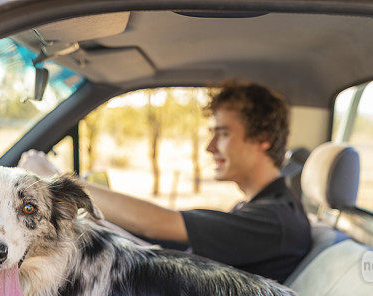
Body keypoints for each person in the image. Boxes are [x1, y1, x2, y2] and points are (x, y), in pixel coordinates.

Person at [18, 80, 311, 283]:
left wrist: (56, 181)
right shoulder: (267, 209)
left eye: (222, 133)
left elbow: (159, 223)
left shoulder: (276, 221)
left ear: (263, 139)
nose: (210, 147)